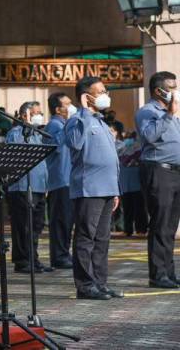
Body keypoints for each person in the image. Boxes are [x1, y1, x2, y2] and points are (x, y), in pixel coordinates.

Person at [64, 76, 122, 300]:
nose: (105, 95)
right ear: (86, 96)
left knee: (102, 239)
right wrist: (85, 112)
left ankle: (100, 282)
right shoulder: (77, 120)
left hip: (107, 188)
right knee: (86, 237)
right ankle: (85, 285)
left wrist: (116, 189)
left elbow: (112, 159)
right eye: (100, 91)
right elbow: (75, 144)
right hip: (89, 188)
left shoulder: (100, 121)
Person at [135, 71, 180, 289]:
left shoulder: (172, 113)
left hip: (175, 172)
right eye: (171, 87)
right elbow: (149, 136)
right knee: (160, 224)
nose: (175, 91)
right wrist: (169, 115)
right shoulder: (148, 111)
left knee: (170, 226)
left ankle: (169, 272)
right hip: (158, 171)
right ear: (158, 90)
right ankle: (157, 275)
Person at [6, 101, 52, 274]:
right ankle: (23, 260)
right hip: (22, 186)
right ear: (25, 114)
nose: (39, 115)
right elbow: (16, 153)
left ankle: (34, 258)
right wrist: (24, 124)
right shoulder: (16, 132)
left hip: (39, 186)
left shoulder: (37, 134)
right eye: (35, 112)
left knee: (36, 226)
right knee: (24, 225)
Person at [44, 92, 76, 269]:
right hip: (60, 180)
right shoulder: (55, 125)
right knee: (61, 221)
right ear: (57, 109)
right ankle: (59, 256)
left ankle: (64, 253)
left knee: (67, 220)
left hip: (69, 180)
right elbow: (54, 145)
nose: (71, 107)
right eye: (67, 104)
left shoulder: (63, 124)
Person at [118, 133, 148, 237]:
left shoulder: (141, 148)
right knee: (127, 207)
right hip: (125, 182)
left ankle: (141, 229)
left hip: (136, 182)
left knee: (138, 207)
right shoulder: (121, 147)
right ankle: (128, 229)